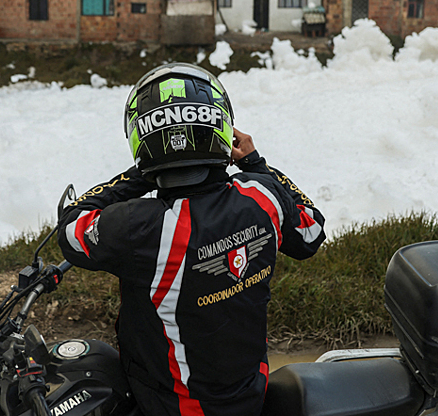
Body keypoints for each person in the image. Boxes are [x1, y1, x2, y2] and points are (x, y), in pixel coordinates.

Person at [57, 62, 325, 416]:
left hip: (172, 407)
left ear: (142, 136)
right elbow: (311, 232)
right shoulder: (262, 196)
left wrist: (143, 174)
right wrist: (256, 164)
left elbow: (71, 228)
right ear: (220, 128)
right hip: (249, 395)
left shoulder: (142, 227)